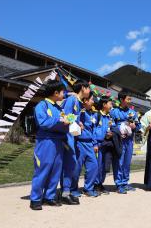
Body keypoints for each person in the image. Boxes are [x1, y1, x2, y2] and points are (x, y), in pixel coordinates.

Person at [30, 80, 69, 210]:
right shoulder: (42, 105)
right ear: (55, 92)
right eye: (63, 91)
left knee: (55, 171)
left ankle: (49, 196)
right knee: (42, 170)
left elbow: (63, 125)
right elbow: (43, 122)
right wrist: (59, 120)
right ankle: (35, 199)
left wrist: (70, 123)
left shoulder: (59, 108)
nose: (65, 94)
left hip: (59, 142)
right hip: (45, 141)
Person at [60, 80, 90, 204]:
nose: (89, 91)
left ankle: (66, 191)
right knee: (68, 164)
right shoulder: (72, 100)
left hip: (71, 136)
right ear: (83, 88)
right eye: (88, 88)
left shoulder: (77, 101)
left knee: (71, 163)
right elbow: (65, 117)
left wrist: (78, 123)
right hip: (66, 136)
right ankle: (64, 192)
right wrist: (75, 120)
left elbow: (72, 118)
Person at [110, 91, 141, 194]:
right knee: (119, 162)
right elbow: (111, 125)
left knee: (127, 163)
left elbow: (139, 126)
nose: (130, 101)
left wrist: (135, 126)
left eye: (130, 99)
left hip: (129, 141)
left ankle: (125, 182)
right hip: (119, 141)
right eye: (128, 99)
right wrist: (119, 132)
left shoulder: (133, 113)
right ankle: (119, 184)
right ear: (121, 100)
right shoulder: (114, 112)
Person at [75, 92, 99, 197]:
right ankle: (72, 189)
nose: (93, 101)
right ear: (85, 100)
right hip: (79, 142)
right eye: (92, 99)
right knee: (76, 167)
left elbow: (93, 130)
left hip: (89, 143)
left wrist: (95, 144)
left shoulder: (92, 113)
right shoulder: (78, 110)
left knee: (94, 165)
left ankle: (88, 188)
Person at [94, 95, 114, 195]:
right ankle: (95, 184)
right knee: (97, 165)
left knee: (105, 165)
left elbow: (113, 128)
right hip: (98, 144)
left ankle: (100, 183)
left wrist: (112, 133)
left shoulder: (109, 117)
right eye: (110, 103)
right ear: (104, 104)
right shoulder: (97, 115)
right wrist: (94, 144)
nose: (112, 105)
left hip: (107, 144)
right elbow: (92, 130)